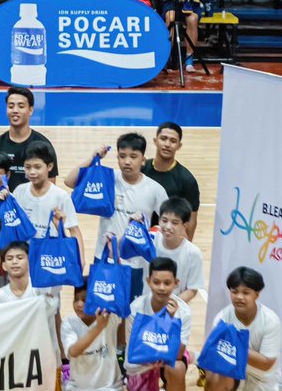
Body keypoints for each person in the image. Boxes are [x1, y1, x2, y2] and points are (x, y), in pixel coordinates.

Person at [66, 133, 168, 299]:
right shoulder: (108, 178)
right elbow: (70, 181)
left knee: (130, 311)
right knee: (103, 307)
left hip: (136, 263)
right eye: (122, 156)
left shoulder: (155, 190)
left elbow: (167, 222)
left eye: (133, 157)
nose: (127, 161)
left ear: (143, 160)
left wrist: (147, 228)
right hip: (104, 257)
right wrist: (92, 158)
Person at [194, 267, 281, 391]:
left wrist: (236, 345)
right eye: (235, 292)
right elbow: (215, 354)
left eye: (245, 293)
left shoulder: (271, 321)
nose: (239, 297)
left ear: (256, 294)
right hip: (231, 368)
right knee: (214, 374)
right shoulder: (223, 318)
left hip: (260, 375)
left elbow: (266, 363)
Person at [125, 256, 191, 391]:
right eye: (156, 282)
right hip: (142, 362)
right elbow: (133, 352)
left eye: (167, 283)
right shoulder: (136, 308)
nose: (162, 288)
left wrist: (168, 322)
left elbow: (177, 353)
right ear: (148, 281)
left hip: (169, 359)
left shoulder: (183, 312)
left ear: (176, 283)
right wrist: (151, 358)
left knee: (177, 368)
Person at [56, 286, 121, 391]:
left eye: (84, 300)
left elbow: (120, 291)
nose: (79, 304)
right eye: (75, 299)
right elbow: (74, 351)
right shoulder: (69, 324)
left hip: (105, 389)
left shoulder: (111, 319)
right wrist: (98, 328)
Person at [0, 241, 62, 359]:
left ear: (29, 261)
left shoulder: (43, 288)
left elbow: (52, 310)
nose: (15, 262)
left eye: (20, 257)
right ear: (4, 265)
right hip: (14, 359)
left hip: (45, 357)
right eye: (10, 259)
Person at [12, 140, 83, 251]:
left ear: (49, 166)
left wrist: (80, 261)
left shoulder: (61, 197)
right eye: (27, 167)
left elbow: (74, 230)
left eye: (37, 167)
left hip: (50, 255)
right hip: (24, 256)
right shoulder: (19, 192)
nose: (32, 172)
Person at [0, 87, 58, 189]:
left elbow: (51, 185)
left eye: (21, 106)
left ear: (31, 110)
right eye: (11, 106)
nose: (15, 110)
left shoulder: (43, 144)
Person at [142, 122, 202, 239]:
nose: (167, 144)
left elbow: (191, 221)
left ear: (179, 146)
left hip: (167, 242)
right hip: (139, 240)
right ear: (155, 141)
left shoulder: (187, 180)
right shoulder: (141, 169)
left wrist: (184, 250)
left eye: (173, 141)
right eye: (163, 139)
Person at [154, 198, 205, 303]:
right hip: (149, 305)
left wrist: (171, 304)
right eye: (164, 220)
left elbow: (192, 289)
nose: (168, 227)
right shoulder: (151, 239)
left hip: (175, 308)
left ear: (184, 225)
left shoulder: (193, 253)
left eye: (175, 223)